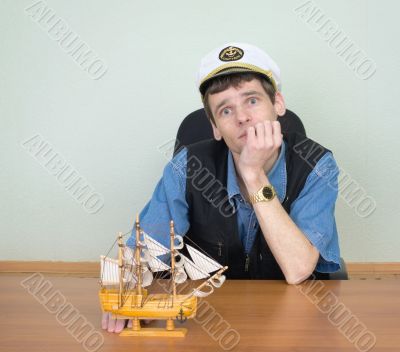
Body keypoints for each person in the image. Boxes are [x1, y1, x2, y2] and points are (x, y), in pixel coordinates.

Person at [102, 42, 341, 333]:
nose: (242, 117)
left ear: (278, 103)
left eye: (252, 100)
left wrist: (253, 173)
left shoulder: (317, 165)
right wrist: (125, 298)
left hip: (289, 321)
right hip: (208, 321)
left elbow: (298, 269)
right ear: (215, 126)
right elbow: (143, 253)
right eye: (225, 110)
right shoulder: (187, 167)